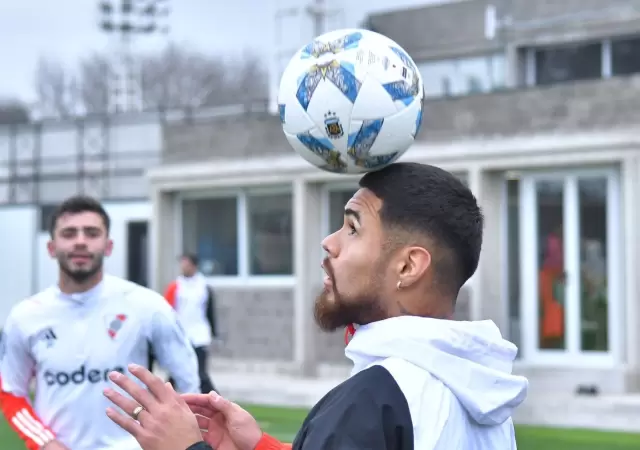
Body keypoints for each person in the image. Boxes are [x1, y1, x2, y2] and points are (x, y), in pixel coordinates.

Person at [103, 163, 529, 450]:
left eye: (352, 227)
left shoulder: (376, 399)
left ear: (408, 265)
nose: (329, 242)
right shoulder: (481, 395)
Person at [0, 195, 201, 450]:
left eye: (92, 233)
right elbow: (10, 391)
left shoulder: (147, 305)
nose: (81, 241)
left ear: (108, 246)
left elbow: (190, 385)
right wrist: (45, 443)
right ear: (51, 247)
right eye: (69, 233)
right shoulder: (24, 317)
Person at [163, 253, 217, 394]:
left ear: (194, 266)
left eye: (186, 264)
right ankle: (160, 402)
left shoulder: (204, 287)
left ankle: (217, 402)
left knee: (200, 374)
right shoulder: (176, 286)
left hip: (199, 335)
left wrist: (213, 333)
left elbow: (209, 311)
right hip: (180, 335)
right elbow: (166, 311)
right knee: (175, 373)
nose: (183, 267)